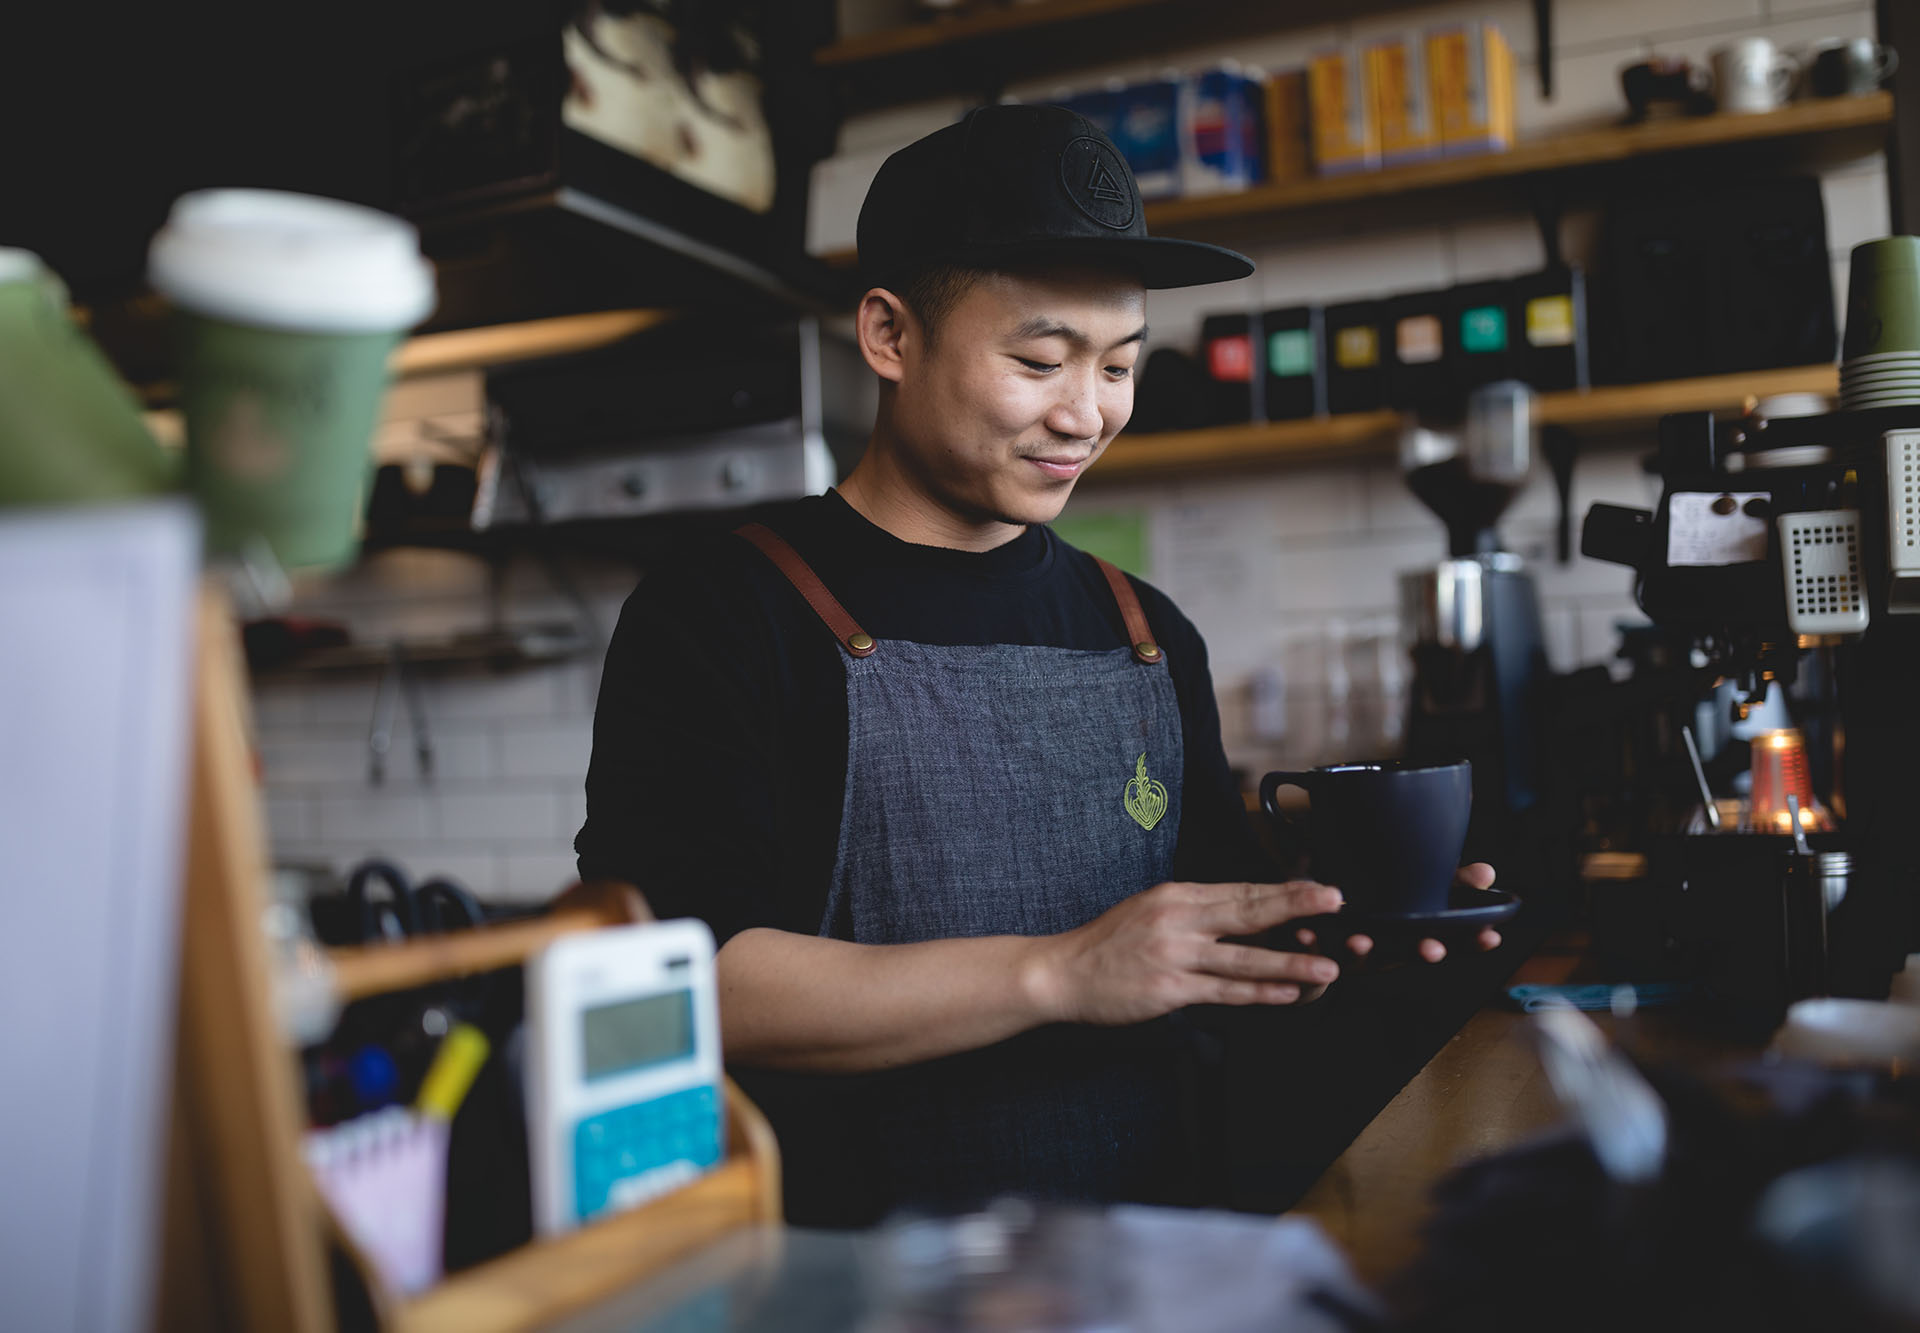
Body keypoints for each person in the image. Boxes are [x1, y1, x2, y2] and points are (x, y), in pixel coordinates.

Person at [575, 103, 1499, 1227]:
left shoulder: (1143, 627)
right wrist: (1059, 972)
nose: (1087, 413)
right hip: (857, 1272)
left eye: (1119, 365)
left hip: (1144, 1249)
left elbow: (1201, 946)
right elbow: (672, 987)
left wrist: (1354, 912)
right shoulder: (725, 609)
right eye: (1040, 360)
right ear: (888, 335)